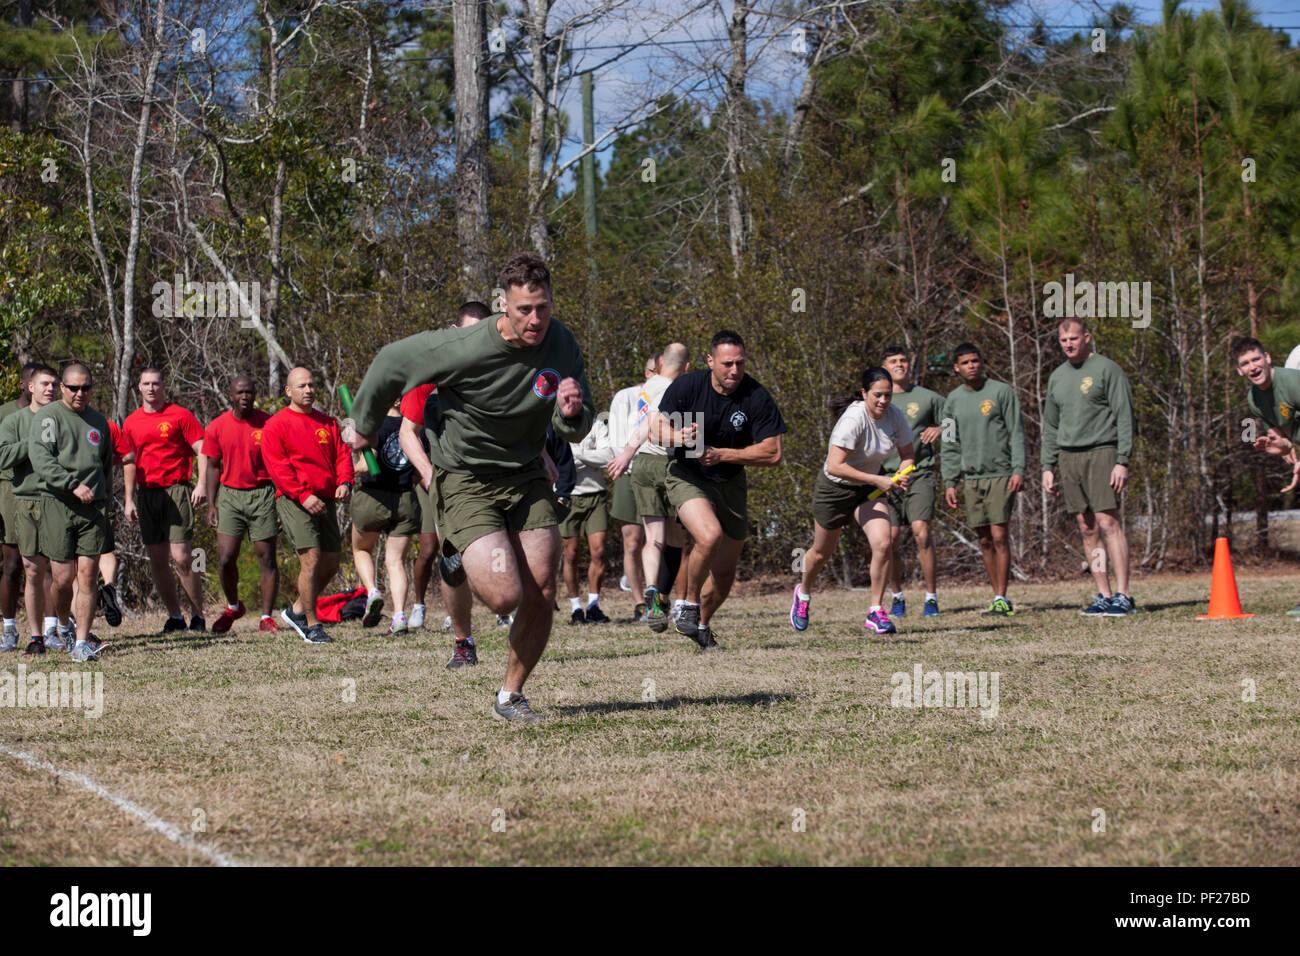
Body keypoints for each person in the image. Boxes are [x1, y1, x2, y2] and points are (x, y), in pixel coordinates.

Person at [349, 252, 595, 723]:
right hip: (467, 480)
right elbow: (391, 360)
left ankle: (510, 695)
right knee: (505, 596)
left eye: (543, 307)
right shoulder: (464, 347)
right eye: (524, 309)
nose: (535, 319)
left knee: (541, 590)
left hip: (525, 475)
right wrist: (364, 422)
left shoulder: (562, 343)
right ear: (503, 304)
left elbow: (577, 428)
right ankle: (457, 550)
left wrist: (571, 414)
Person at [655, 330, 786, 649]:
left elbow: (773, 452)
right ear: (710, 361)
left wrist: (723, 455)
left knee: (725, 573)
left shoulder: (756, 396)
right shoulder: (688, 386)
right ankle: (685, 605)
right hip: (687, 474)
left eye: (740, 363)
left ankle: (700, 624)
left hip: (730, 480)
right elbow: (654, 430)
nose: (734, 371)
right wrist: (681, 437)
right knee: (708, 536)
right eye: (727, 363)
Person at [792, 367, 914, 634]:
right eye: (877, 395)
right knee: (822, 552)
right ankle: (803, 594)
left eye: (888, 395)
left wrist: (901, 473)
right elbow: (835, 466)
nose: (883, 401)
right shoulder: (853, 419)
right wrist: (878, 480)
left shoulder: (895, 416)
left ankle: (875, 610)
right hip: (835, 489)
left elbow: (908, 452)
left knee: (884, 542)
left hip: (868, 491)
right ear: (864, 393)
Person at [401, 301, 490, 659]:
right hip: (450, 480)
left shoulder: (505, 367)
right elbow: (409, 432)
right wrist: (428, 472)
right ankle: (463, 641)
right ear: (454, 332)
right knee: (452, 559)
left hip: (501, 477)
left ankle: (516, 618)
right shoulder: (430, 371)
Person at [1042, 320, 1137, 616]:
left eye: (1074, 338)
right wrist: (1048, 465)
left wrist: (1122, 460)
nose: (1068, 344)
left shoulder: (1108, 369)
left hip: (1102, 452)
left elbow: (1125, 416)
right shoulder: (1057, 377)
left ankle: (1124, 595)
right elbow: (1051, 425)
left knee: (1107, 522)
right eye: (1063, 340)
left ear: (1087, 338)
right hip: (1069, 458)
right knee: (1086, 528)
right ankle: (1103, 594)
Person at [261, 367, 354, 644]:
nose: (309, 390)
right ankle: (313, 625)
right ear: (288, 391)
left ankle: (297, 610)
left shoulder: (328, 422)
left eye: (312, 385)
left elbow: (343, 455)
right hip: (294, 499)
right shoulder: (276, 425)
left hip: (325, 498)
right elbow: (277, 467)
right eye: (302, 386)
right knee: (311, 558)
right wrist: (302, 495)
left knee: (331, 561)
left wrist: (345, 481)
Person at [28, 363, 114, 661]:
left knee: (88, 575)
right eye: (74, 388)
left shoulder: (99, 422)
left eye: (86, 387)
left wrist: (106, 502)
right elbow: (41, 459)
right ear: (62, 388)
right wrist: (72, 484)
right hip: (58, 504)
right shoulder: (49, 417)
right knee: (63, 580)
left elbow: (106, 467)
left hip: (93, 508)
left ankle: (80, 645)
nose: (80, 393)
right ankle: (64, 625)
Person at [607, 342, 692, 632]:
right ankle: (671, 598)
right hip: (665, 464)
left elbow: (641, 423)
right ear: (687, 367)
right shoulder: (672, 388)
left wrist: (629, 456)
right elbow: (650, 425)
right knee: (679, 538)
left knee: (653, 536)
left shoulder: (648, 385)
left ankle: (655, 591)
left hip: (642, 465)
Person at [940, 343, 1026, 616]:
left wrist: (1018, 469)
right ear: (956, 367)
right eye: (965, 362)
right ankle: (995, 595)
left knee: (1000, 535)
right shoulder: (951, 401)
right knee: (984, 539)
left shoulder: (1001, 392)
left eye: (975, 361)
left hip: (1000, 474)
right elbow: (950, 443)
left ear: (982, 362)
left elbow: (1016, 433)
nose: (971, 366)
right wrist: (950, 481)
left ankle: (1003, 596)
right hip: (971, 478)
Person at [122, 367, 207, 632]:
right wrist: (129, 499)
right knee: (157, 559)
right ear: (139, 387)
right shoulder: (131, 421)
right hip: (147, 494)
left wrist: (202, 483)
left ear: (163, 386)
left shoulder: (180, 415)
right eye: (146, 384)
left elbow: (202, 449)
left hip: (177, 490)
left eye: (155, 384)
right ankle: (175, 617)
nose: (151, 388)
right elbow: (128, 461)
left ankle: (198, 615)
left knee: (182, 557)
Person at [200, 375, 280, 634]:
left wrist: (280, 500)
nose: (245, 396)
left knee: (266, 557)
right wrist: (212, 504)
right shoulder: (217, 426)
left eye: (249, 392)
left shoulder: (269, 423)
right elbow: (212, 466)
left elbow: (279, 464)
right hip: (230, 495)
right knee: (225, 558)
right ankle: (233, 606)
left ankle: (266, 617)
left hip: (263, 494)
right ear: (231, 395)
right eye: (240, 392)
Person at [1234, 336, 1300, 615]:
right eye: (1245, 364)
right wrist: (1279, 446)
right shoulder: (1254, 399)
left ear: (1268, 358)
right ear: (1240, 371)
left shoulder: (1293, 382)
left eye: (1256, 359)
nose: (1252, 367)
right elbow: (1283, 436)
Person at [880, 346, 945, 618]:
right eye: (893, 361)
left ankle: (931, 598)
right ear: (884, 367)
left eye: (904, 360)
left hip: (920, 474)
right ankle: (897, 597)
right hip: (885, 478)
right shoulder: (879, 398)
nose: (900, 365)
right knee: (891, 538)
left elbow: (954, 421)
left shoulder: (928, 397)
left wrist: (941, 428)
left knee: (922, 533)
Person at [0, 365, 60, 651]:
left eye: (54, 384)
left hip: (57, 501)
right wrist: (32, 444)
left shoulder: (65, 418)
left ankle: (54, 631)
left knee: (58, 571)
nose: (50, 389)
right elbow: (4, 456)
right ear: (29, 387)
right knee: (24, 567)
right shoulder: (13, 420)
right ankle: (20, 632)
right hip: (21, 499)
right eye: (44, 384)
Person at [350, 400, 419, 633]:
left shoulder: (374, 425)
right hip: (405, 500)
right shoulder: (416, 426)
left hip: (373, 497)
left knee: (361, 550)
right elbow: (420, 469)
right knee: (396, 561)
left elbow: (366, 465)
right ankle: (399, 616)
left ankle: (372, 591)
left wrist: (348, 470)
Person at [605, 353, 659, 620]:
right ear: (647, 373)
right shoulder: (625, 397)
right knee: (633, 541)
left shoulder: (670, 396)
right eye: (654, 371)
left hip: (659, 470)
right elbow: (616, 437)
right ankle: (639, 602)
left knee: (661, 539)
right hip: (630, 470)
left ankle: (660, 598)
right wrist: (626, 463)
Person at [562, 414, 613, 624]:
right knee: (571, 554)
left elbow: (607, 457)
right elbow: (559, 460)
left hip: (596, 494)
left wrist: (577, 455)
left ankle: (593, 605)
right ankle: (575, 608)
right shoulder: (555, 425)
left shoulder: (597, 424)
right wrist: (590, 456)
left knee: (599, 551)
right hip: (566, 495)